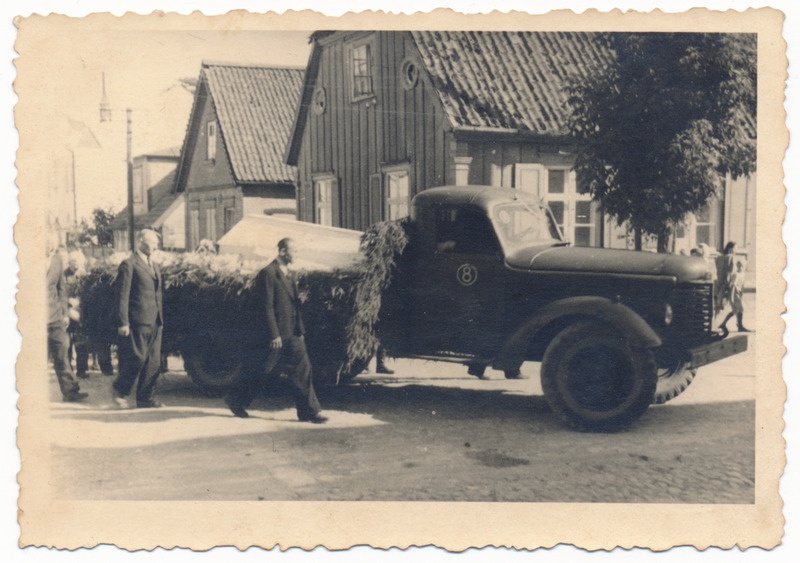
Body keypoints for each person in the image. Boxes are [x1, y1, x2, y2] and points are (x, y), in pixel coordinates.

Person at [225, 237, 327, 423]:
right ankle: (236, 400)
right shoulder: (268, 273)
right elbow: (266, 306)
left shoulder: (291, 274)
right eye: (294, 251)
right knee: (262, 369)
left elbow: (295, 306)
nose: (296, 254)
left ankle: (309, 412)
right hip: (277, 335)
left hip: (293, 333)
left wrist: (300, 330)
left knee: (303, 370)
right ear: (282, 252)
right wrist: (274, 334)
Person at [111, 229, 165, 409]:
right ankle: (120, 391)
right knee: (137, 359)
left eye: (157, 243)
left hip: (156, 320)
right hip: (138, 320)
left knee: (153, 362)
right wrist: (123, 322)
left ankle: (145, 399)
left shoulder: (155, 265)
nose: (156, 246)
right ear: (141, 241)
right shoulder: (129, 264)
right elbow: (122, 295)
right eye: (152, 242)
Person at [46, 232, 87, 402]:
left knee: (62, 351)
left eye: (51, 244)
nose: (48, 247)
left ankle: (70, 391)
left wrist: (63, 312)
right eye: (45, 243)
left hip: (54, 315)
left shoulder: (56, 260)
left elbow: (62, 289)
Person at [718, 258, 750, 337]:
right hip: (734, 293)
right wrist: (731, 298)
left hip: (738, 293)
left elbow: (742, 285)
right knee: (739, 309)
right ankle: (740, 326)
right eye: (739, 265)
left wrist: (741, 293)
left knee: (736, 310)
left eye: (742, 266)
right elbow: (732, 287)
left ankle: (725, 324)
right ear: (736, 266)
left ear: (745, 266)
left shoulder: (743, 274)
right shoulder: (736, 275)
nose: (740, 267)